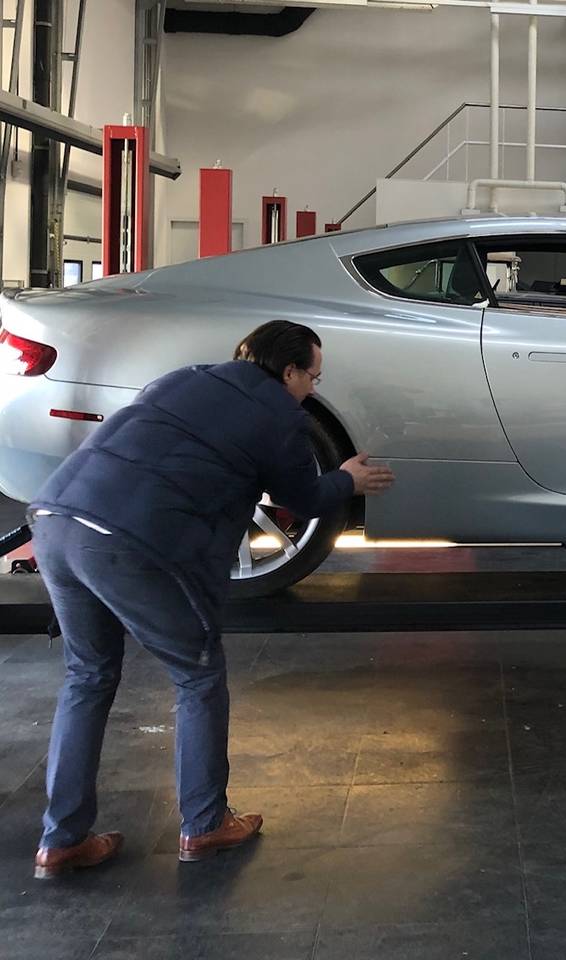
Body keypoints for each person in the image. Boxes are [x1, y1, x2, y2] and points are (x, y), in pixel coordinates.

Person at [27, 320, 395, 879]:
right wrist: (347, 480)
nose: (313, 390)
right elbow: (303, 497)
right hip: (132, 544)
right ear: (289, 371)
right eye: (312, 377)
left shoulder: (186, 378)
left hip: (57, 518)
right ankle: (204, 825)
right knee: (197, 675)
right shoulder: (280, 416)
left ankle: (61, 840)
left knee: (88, 677)